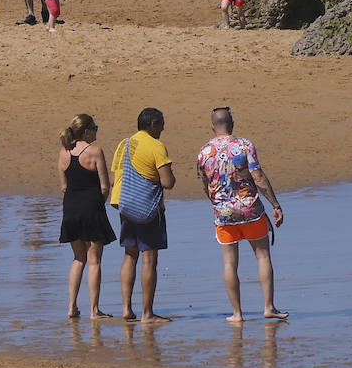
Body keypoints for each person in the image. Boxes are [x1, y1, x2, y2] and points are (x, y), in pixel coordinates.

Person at [196, 106, 288, 322]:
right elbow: (258, 178)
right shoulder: (244, 145)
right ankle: (268, 307)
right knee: (263, 256)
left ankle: (237, 314)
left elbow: (206, 184)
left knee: (229, 263)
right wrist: (275, 204)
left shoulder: (203, 152)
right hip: (251, 210)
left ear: (212, 127)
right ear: (232, 124)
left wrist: (218, 204)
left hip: (223, 213)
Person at [109, 107, 175, 324]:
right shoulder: (156, 146)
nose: (164, 128)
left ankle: (126, 308)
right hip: (147, 209)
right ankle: (147, 313)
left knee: (130, 255)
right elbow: (168, 182)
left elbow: (114, 179)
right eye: (162, 124)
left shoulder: (124, 144)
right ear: (153, 125)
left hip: (126, 206)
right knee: (149, 259)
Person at [58, 114, 115, 319]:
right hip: (91, 208)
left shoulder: (64, 152)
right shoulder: (95, 151)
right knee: (94, 261)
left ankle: (71, 306)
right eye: (95, 128)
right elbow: (104, 186)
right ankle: (94, 310)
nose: (97, 132)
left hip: (70, 209)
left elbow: (64, 186)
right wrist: (101, 201)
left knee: (78, 258)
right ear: (87, 130)